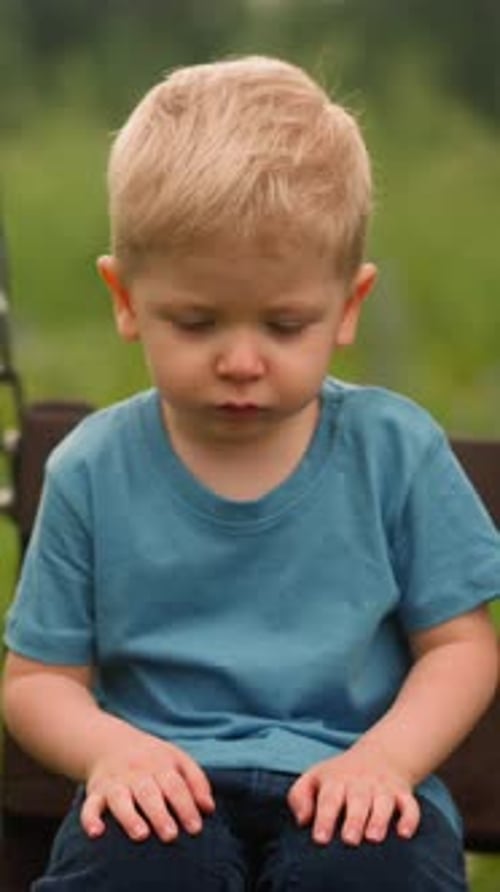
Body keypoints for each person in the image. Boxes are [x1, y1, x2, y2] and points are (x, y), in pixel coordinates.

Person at [2, 55, 499, 892]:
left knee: (365, 868)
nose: (241, 360)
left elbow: (460, 645)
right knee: (141, 865)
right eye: (196, 323)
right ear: (125, 298)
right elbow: (38, 681)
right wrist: (114, 753)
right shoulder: (93, 469)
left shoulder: (394, 453)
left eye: (284, 324)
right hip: (163, 791)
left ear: (348, 306)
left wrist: (386, 760)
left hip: (356, 786)